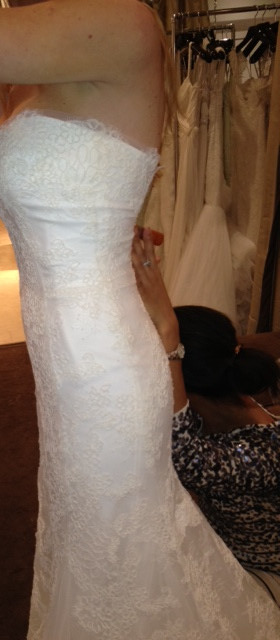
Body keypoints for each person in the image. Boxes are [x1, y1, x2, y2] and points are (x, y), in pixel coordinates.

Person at [0, 1, 280, 637]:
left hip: (106, 366)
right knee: (89, 529)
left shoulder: (119, 25)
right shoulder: (18, 75)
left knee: (117, 536)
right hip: (62, 364)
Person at [132, 226, 280, 602]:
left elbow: (187, 459)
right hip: (227, 549)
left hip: (264, 572)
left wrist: (169, 334)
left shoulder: (258, 453)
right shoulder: (229, 412)